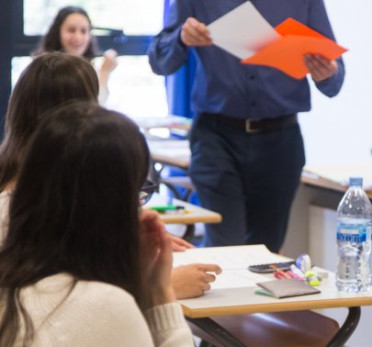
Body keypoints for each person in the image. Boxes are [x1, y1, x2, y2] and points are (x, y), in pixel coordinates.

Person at [0, 52, 219, 300]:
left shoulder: (59, 187)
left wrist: (135, 241)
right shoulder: (20, 209)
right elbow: (68, 300)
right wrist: (162, 288)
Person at [0, 102, 198, 347]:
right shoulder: (101, 306)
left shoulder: (18, 281)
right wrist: (159, 293)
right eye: (137, 195)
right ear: (116, 204)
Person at [148, 0, 345, 252]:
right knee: (225, 247)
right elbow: (159, 61)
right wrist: (181, 37)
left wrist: (328, 72)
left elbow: (335, 79)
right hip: (216, 138)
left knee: (266, 252)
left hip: (280, 140)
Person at [35, 6, 118, 103]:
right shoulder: (45, 72)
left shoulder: (89, 69)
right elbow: (90, 110)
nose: (78, 37)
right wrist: (104, 73)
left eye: (83, 31)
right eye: (71, 30)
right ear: (57, 33)